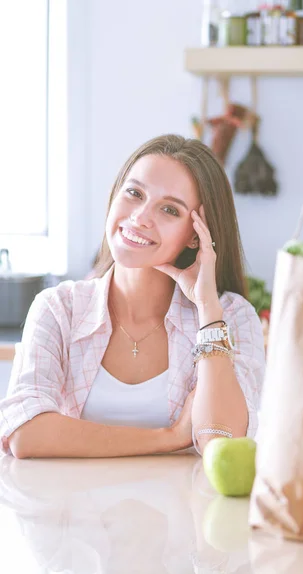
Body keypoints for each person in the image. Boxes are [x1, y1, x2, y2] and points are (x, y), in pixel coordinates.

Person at [0, 134, 265, 459]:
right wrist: (169, 437)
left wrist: (208, 309)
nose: (140, 217)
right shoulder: (59, 309)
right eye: (134, 193)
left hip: (184, 510)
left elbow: (222, 442)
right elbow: (25, 434)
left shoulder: (232, 317)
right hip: (73, 508)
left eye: (169, 209)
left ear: (196, 236)